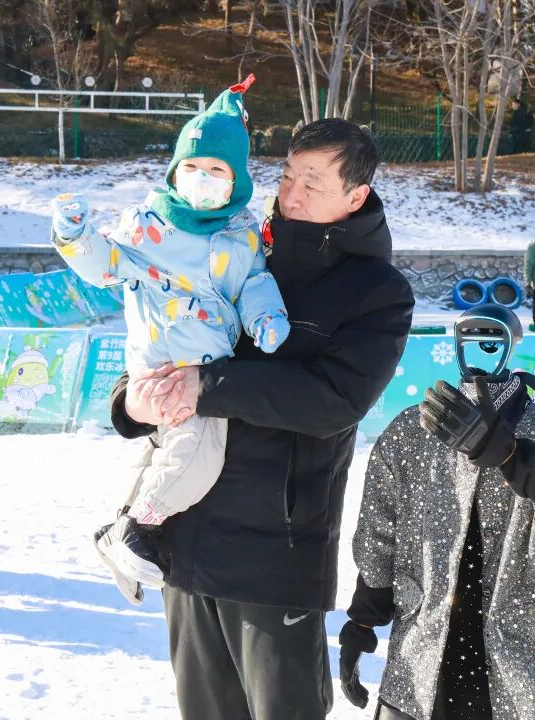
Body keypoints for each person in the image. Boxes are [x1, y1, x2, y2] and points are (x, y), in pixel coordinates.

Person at [109, 118, 415, 719]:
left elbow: (333, 401)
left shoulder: (375, 290)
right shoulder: (231, 246)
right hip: (183, 535)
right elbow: (162, 338)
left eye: (312, 183)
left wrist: (206, 387)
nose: (291, 195)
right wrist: (131, 402)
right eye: (287, 176)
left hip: (275, 553)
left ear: (356, 196)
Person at [50, 75, 291, 604]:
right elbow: (107, 264)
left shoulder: (242, 233)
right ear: (175, 171)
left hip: (207, 368)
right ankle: (138, 527)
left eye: (217, 170)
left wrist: (266, 318)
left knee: (163, 451)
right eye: (192, 167)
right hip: (164, 365)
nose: (202, 178)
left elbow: (254, 284)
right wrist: (75, 237)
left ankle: (121, 529)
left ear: (236, 181)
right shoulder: (148, 225)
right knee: (198, 455)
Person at [339, 303, 535, 720]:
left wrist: (513, 457)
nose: (479, 351)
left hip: (526, 658)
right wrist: (362, 623)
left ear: (513, 346)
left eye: (492, 340)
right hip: (423, 657)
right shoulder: (410, 432)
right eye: (469, 339)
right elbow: (380, 532)